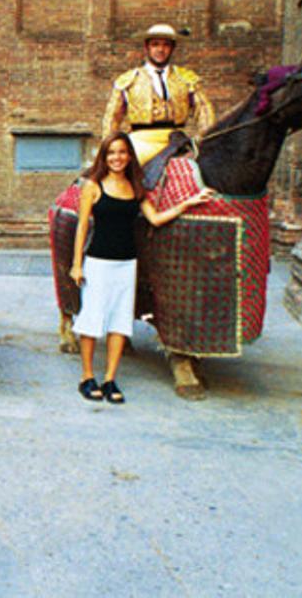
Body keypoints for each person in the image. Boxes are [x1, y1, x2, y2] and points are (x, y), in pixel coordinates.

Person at [70, 132, 213, 404]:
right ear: (104, 156)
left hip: (126, 264)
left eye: (122, 152)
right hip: (98, 263)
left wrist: (188, 203)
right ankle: (87, 377)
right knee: (91, 321)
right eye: (111, 153)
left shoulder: (136, 188)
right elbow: (82, 226)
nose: (117, 158)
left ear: (129, 156)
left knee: (119, 323)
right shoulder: (92, 185)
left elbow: (156, 219)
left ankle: (110, 378)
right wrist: (77, 265)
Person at [101, 22, 216, 165]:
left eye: (166, 45)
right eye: (155, 44)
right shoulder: (129, 80)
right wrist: (110, 148)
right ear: (146, 47)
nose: (160, 50)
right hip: (140, 142)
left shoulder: (187, 79)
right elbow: (112, 118)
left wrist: (205, 140)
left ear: (173, 48)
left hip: (177, 140)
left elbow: (204, 111)